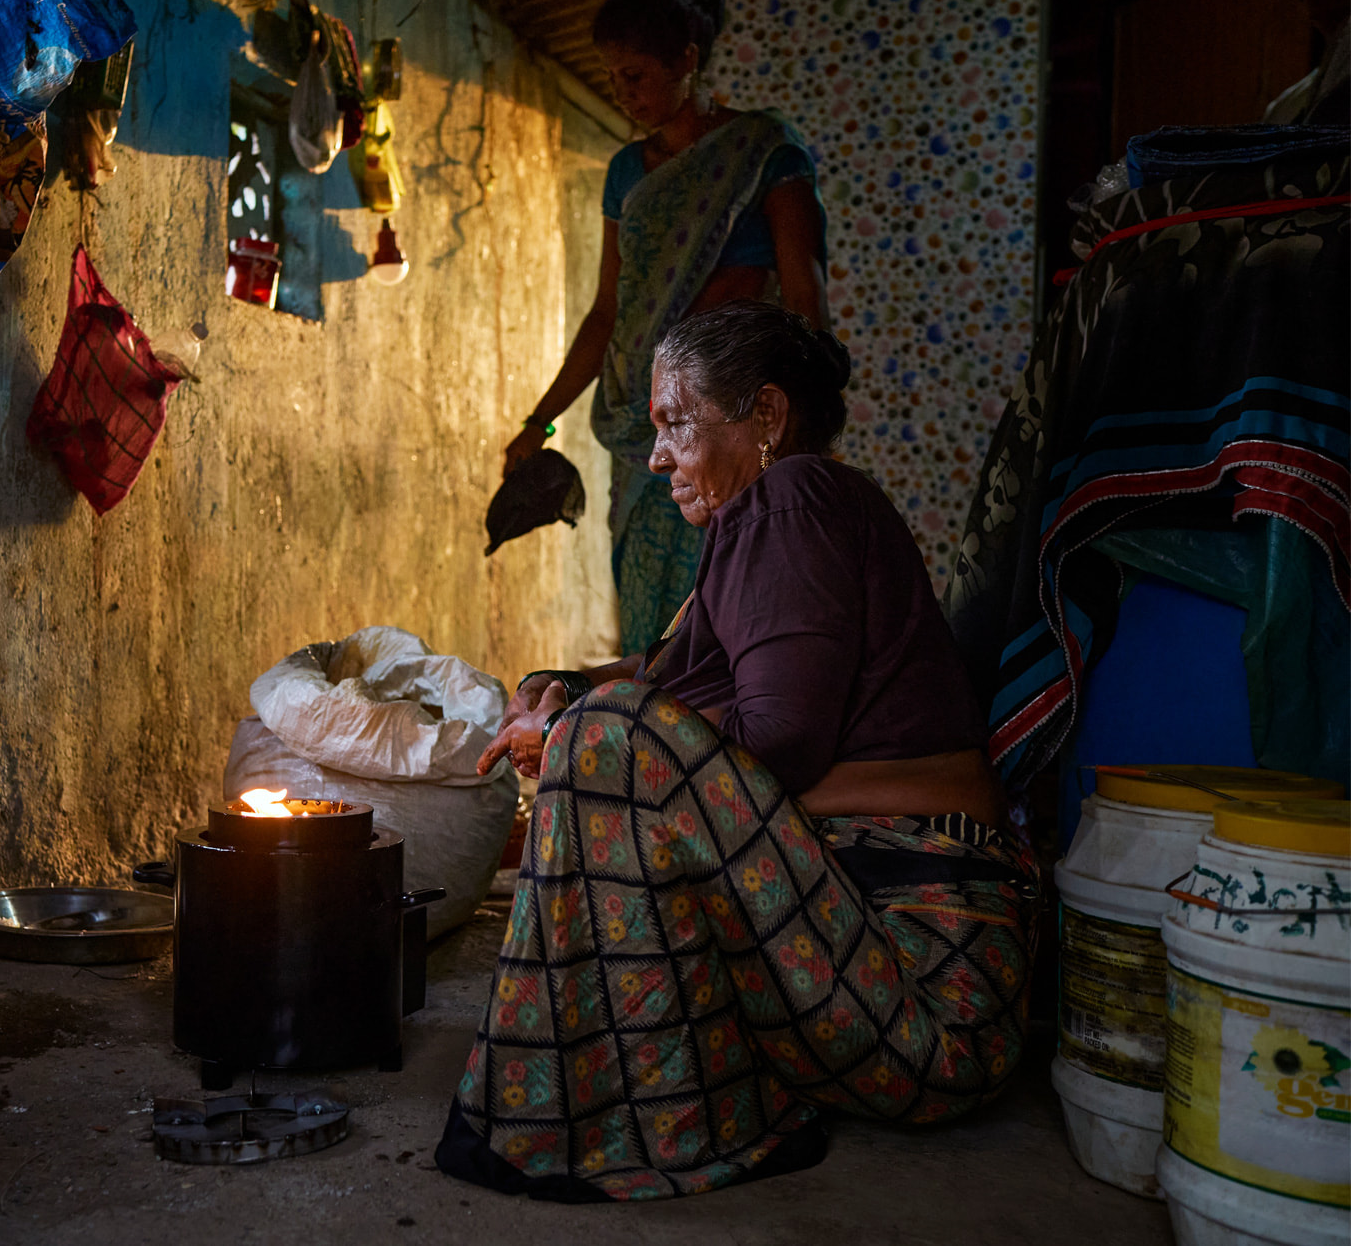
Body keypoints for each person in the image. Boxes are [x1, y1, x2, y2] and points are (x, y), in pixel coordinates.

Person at [439, 301, 1036, 1202]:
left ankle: (647, 1113)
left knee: (609, 741)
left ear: (766, 415)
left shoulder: (790, 500)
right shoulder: (762, 529)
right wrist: (559, 681)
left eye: (676, 423)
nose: (657, 456)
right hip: (873, 984)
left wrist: (570, 731)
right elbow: (661, 674)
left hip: (926, 999)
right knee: (608, 720)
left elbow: (778, 743)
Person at [502, 0, 829, 656]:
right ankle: (653, 747)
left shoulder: (763, 150)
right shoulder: (628, 173)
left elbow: (804, 299)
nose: (625, 96)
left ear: (687, 59)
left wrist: (802, 435)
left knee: (732, 609)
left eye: (636, 75)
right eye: (613, 79)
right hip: (641, 420)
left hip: (729, 418)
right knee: (651, 616)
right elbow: (607, 315)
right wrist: (540, 419)